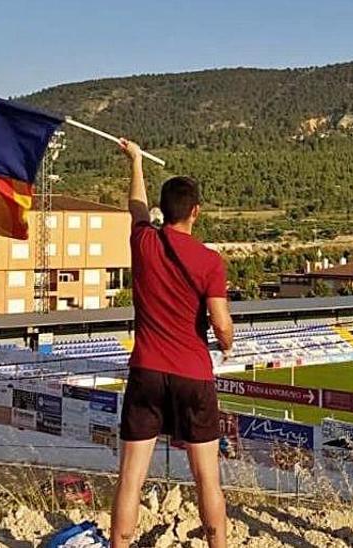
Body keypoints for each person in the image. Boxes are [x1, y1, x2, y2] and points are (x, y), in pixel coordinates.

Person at [110, 140, 233, 548]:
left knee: (131, 479)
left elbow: (136, 206)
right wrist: (227, 342)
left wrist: (136, 163)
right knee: (207, 481)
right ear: (196, 211)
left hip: (146, 370)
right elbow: (221, 325)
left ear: (163, 211)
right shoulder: (210, 261)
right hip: (193, 375)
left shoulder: (144, 243)